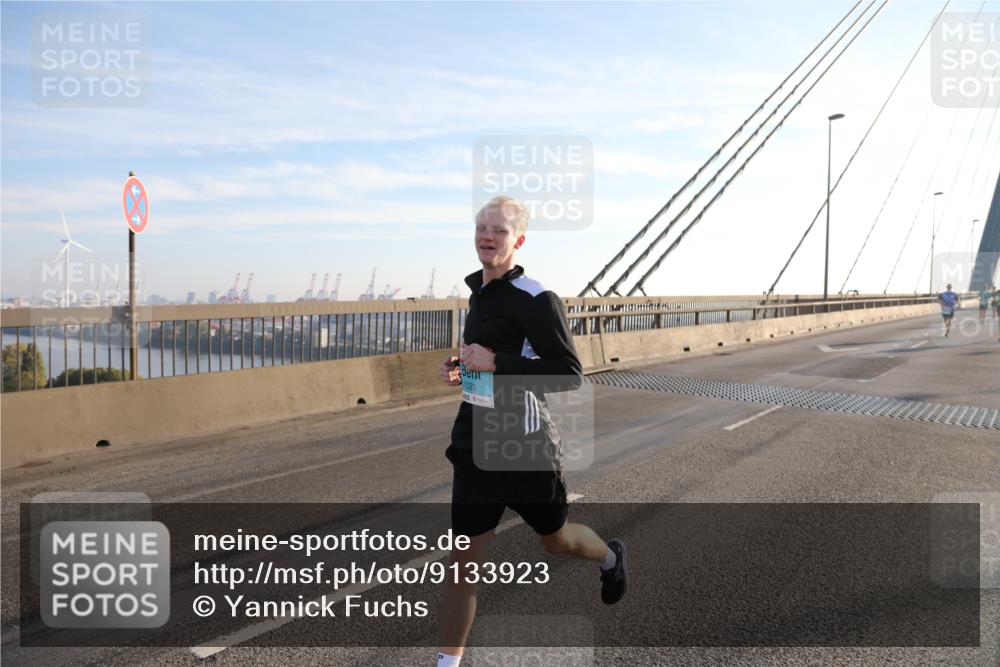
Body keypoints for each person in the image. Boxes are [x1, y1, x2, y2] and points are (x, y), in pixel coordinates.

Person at [435, 195, 627, 667]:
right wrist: (463, 370)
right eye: (481, 227)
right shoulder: (477, 294)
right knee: (462, 566)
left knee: (555, 539)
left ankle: (610, 558)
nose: (486, 236)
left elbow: (567, 374)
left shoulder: (537, 298)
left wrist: (496, 361)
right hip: (475, 445)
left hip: (525, 448)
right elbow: (487, 368)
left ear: (518, 240)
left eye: (498, 230)